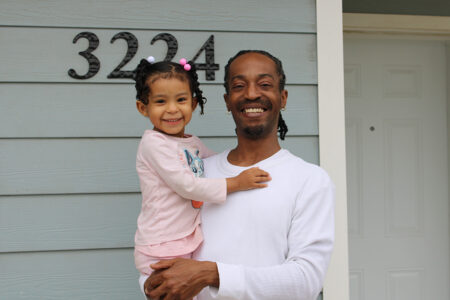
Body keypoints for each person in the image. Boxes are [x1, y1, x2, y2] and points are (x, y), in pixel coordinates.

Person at [143, 50, 335, 300]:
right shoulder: (197, 174)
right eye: (239, 86)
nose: (252, 94)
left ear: (283, 97)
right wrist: (154, 284)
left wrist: (212, 274)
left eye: (265, 84)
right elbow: (161, 240)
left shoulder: (310, 180)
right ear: (227, 100)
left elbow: (306, 279)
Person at [132, 56, 272, 292]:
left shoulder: (191, 143)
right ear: (143, 107)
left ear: (194, 104)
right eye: (160, 101)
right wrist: (237, 182)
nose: (172, 109)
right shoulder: (154, 144)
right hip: (161, 244)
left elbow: (218, 164)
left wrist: (245, 163)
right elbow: (186, 185)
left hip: (185, 240)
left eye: (181, 100)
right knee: (172, 294)